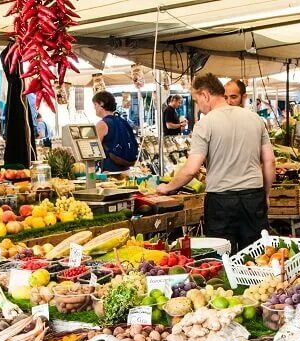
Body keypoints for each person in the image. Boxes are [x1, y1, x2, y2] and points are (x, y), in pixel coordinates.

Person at [156, 73, 275, 254]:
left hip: (221, 201)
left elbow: (191, 169)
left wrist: (168, 188)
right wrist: (265, 193)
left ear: (206, 95)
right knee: (256, 257)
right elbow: (269, 161)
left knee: (222, 259)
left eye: (196, 100)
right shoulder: (255, 119)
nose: (198, 106)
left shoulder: (205, 124)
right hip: (253, 197)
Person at [93, 91, 138, 171]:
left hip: (110, 169)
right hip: (125, 167)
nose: (94, 108)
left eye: (95, 105)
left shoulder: (102, 124)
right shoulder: (121, 120)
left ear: (101, 104)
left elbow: (95, 149)